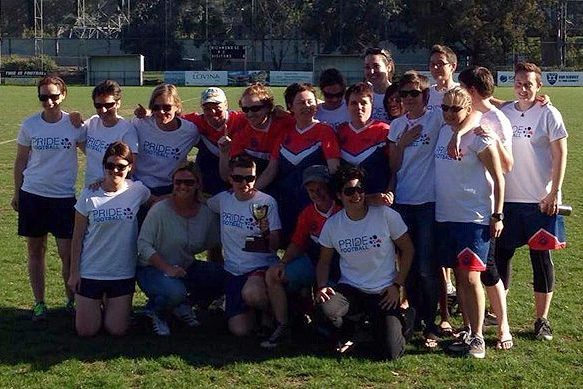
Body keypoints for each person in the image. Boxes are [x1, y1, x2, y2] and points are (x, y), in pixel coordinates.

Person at [497, 62, 568, 341]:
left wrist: (554, 192)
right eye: (518, 83)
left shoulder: (548, 113)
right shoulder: (505, 112)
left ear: (539, 86)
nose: (523, 88)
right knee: (502, 256)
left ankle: (542, 320)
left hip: (540, 200)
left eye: (529, 84)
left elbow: (560, 153)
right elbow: (483, 99)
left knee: (540, 259)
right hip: (508, 200)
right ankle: (499, 314)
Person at [435, 87, 505, 358]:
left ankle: (478, 338)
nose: (449, 114)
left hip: (473, 219)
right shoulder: (443, 132)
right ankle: (467, 330)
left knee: (472, 277)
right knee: (461, 278)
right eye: (445, 108)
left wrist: (497, 214)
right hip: (445, 217)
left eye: (456, 109)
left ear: (467, 109)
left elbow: (499, 179)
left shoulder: (479, 136)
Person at [317, 165, 414, 360]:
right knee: (327, 309)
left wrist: (397, 285)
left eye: (360, 189)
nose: (356, 195)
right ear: (339, 195)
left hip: (384, 292)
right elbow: (324, 262)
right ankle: (355, 330)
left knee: (391, 353)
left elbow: (408, 249)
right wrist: (321, 286)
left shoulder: (385, 215)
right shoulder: (333, 224)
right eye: (349, 191)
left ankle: (406, 319)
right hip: (351, 289)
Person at [12, 75, 86, 321]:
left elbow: (93, 150)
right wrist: (17, 192)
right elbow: (21, 160)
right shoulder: (30, 125)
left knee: (67, 253)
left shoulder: (74, 124)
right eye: (44, 96)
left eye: (54, 96)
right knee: (36, 250)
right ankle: (39, 303)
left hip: (63, 198)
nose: (49, 101)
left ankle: (70, 301)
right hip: (33, 195)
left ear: (63, 95)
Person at [451, 66, 514, 350]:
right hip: (463, 206)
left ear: (472, 91)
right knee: (475, 271)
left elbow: (508, 165)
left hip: (485, 206)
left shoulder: (495, 119)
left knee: (489, 271)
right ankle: (472, 328)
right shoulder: (467, 115)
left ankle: (503, 328)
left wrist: (493, 138)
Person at [68, 141, 151, 336]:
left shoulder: (138, 190)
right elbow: (77, 236)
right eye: (110, 165)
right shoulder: (89, 194)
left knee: (117, 330)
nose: (115, 170)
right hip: (91, 271)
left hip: (122, 272)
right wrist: (74, 273)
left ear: (130, 167)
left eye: (121, 166)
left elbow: (159, 204)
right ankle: (96, 305)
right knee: (86, 331)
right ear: (103, 166)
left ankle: (110, 307)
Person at [387, 71, 443, 348]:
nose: (408, 99)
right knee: (407, 268)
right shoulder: (396, 126)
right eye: (404, 94)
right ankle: (416, 318)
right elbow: (394, 167)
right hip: (402, 204)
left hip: (428, 204)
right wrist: (402, 142)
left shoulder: (436, 117)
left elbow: (474, 108)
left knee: (426, 268)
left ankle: (431, 324)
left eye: (414, 93)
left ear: (425, 95)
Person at [136, 161, 225, 336]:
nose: (183, 186)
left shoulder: (205, 213)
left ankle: (183, 304)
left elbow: (216, 241)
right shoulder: (160, 210)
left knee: (222, 276)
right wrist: (167, 268)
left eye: (189, 182)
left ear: (198, 184)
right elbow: (143, 245)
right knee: (174, 291)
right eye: (178, 182)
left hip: (185, 267)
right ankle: (155, 312)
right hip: (152, 268)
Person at [261, 165, 342, 348]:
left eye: (320, 188)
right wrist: (283, 263)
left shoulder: (342, 210)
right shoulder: (308, 213)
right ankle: (283, 325)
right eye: (311, 190)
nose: (317, 193)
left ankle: (339, 331)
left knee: (329, 304)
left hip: (339, 268)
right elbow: (297, 243)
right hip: (313, 261)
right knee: (273, 275)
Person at [207, 156, 282, 336]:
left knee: (253, 294)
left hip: (260, 267)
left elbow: (276, 245)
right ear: (230, 178)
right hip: (233, 271)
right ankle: (252, 312)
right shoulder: (223, 200)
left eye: (250, 178)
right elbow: (203, 201)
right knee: (240, 331)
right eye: (238, 178)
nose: (244, 183)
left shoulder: (266, 202)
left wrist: (266, 233)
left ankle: (271, 314)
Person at [271, 83, 341, 242]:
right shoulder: (284, 134)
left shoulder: (325, 130)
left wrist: (337, 198)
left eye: (310, 101)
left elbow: (334, 167)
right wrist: (251, 190)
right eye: (301, 103)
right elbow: (271, 170)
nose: (307, 106)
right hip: (287, 203)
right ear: (291, 106)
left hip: (314, 204)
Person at [218, 83, 292, 191]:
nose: (250, 113)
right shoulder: (242, 134)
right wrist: (224, 154)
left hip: (285, 182)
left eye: (255, 108)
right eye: (245, 109)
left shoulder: (285, 122)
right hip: (257, 185)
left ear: (268, 107)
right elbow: (227, 177)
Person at [133, 84, 200, 200]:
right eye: (156, 108)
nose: (161, 112)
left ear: (177, 106)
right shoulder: (140, 123)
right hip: (139, 187)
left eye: (167, 107)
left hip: (170, 189)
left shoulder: (190, 131)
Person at [182, 87, 246, 196]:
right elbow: (171, 118)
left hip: (237, 177)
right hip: (209, 180)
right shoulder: (197, 121)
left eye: (217, 107)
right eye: (207, 108)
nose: (212, 112)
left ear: (226, 105)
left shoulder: (241, 119)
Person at [337, 82, 391, 196]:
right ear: (347, 106)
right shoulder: (339, 132)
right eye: (354, 103)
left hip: (378, 199)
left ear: (371, 104)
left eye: (363, 103)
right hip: (349, 202)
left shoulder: (385, 131)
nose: (359, 107)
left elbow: (394, 168)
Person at [84, 80, 139, 187]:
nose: (103, 110)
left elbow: (131, 168)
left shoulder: (127, 130)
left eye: (108, 105)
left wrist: (106, 184)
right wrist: (74, 116)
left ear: (118, 103)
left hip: (112, 192)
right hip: (89, 189)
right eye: (98, 105)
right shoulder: (92, 122)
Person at [363, 47, 395, 123]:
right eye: (367, 67)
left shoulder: (400, 94)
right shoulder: (362, 96)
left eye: (376, 66)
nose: (372, 71)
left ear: (388, 67)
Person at [427, 44, 459, 112]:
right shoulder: (426, 94)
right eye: (432, 64)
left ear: (452, 66)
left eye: (440, 64)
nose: (435, 67)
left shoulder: (461, 91)